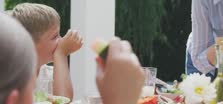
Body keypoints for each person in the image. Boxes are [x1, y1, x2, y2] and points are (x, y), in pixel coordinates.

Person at [0, 12, 144, 104]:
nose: (61, 40)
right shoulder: (22, 78)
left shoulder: (48, 73)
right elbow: (65, 102)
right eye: (55, 36)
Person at [9, 3, 83, 99]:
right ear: (30, 43)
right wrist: (61, 54)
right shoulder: (9, 77)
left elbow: (65, 101)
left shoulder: (52, 75)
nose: (61, 41)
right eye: (55, 36)